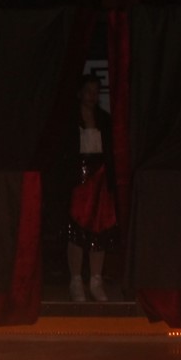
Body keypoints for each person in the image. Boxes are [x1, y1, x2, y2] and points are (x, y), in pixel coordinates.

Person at [68, 74, 117, 302]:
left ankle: (96, 281)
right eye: (88, 90)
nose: (92, 95)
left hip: (100, 180)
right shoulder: (70, 119)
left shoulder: (104, 119)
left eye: (96, 91)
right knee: (76, 229)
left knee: (100, 229)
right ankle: (76, 280)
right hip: (78, 181)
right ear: (80, 93)